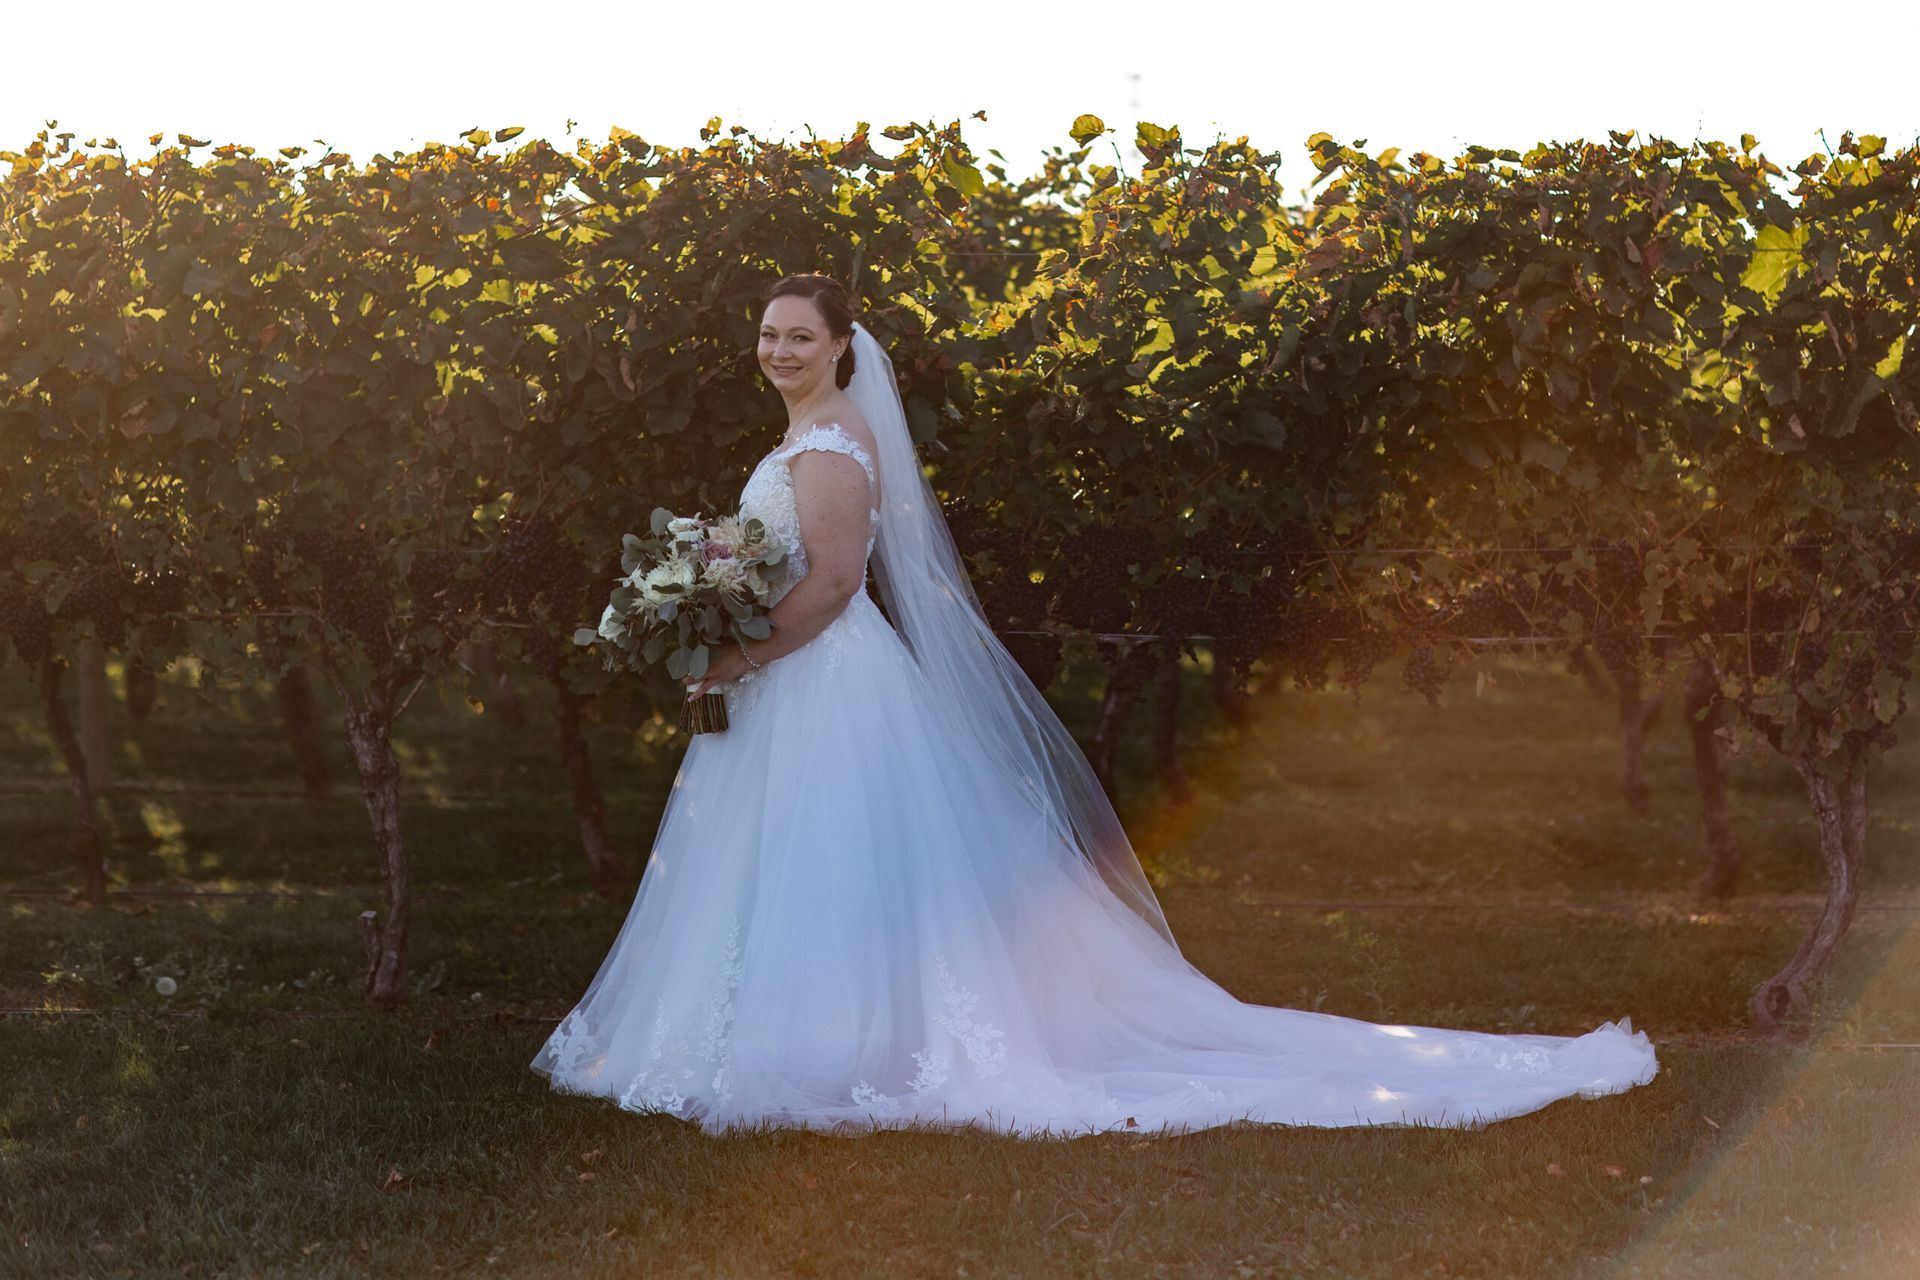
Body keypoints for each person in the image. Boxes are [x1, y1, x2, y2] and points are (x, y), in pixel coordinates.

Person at [529, 273, 1658, 1137]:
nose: (779, 350)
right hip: (799, 674)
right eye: (769, 335)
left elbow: (828, 585)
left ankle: (823, 1046)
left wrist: (730, 658)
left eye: (800, 337)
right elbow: (786, 567)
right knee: (808, 862)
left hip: (818, 672)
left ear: (841, 348)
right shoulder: (803, 433)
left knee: (827, 856)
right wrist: (714, 600)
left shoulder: (828, 439)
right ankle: (800, 1032)